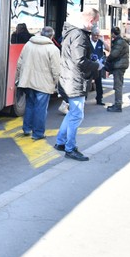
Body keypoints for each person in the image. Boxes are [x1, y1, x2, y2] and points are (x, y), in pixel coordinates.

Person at [54, 8, 100, 161]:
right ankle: (70, 148)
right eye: (96, 23)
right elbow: (79, 60)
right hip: (74, 80)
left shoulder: (71, 32)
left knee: (72, 113)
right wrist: (96, 65)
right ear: (91, 21)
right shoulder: (79, 35)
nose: (95, 26)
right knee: (77, 115)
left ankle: (61, 142)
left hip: (68, 78)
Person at [15, 26, 61, 141]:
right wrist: (57, 83)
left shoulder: (28, 44)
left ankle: (26, 129)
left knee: (30, 105)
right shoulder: (53, 49)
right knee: (40, 109)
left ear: (41, 33)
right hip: (43, 84)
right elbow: (56, 70)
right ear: (52, 36)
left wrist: (19, 78)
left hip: (27, 81)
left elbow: (19, 63)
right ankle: (38, 133)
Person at [105, 26, 130, 112]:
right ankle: (118, 104)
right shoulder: (121, 41)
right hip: (121, 65)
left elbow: (114, 54)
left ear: (113, 33)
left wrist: (107, 59)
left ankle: (118, 105)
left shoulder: (119, 42)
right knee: (119, 85)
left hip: (119, 66)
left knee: (118, 86)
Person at [89, 27, 107, 105]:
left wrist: (103, 40)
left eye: (97, 35)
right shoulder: (88, 42)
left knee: (99, 83)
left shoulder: (100, 42)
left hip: (98, 66)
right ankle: (84, 98)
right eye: (94, 35)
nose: (96, 37)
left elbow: (108, 49)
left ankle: (99, 99)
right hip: (89, 65)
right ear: (91, 35)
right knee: (87, 83)